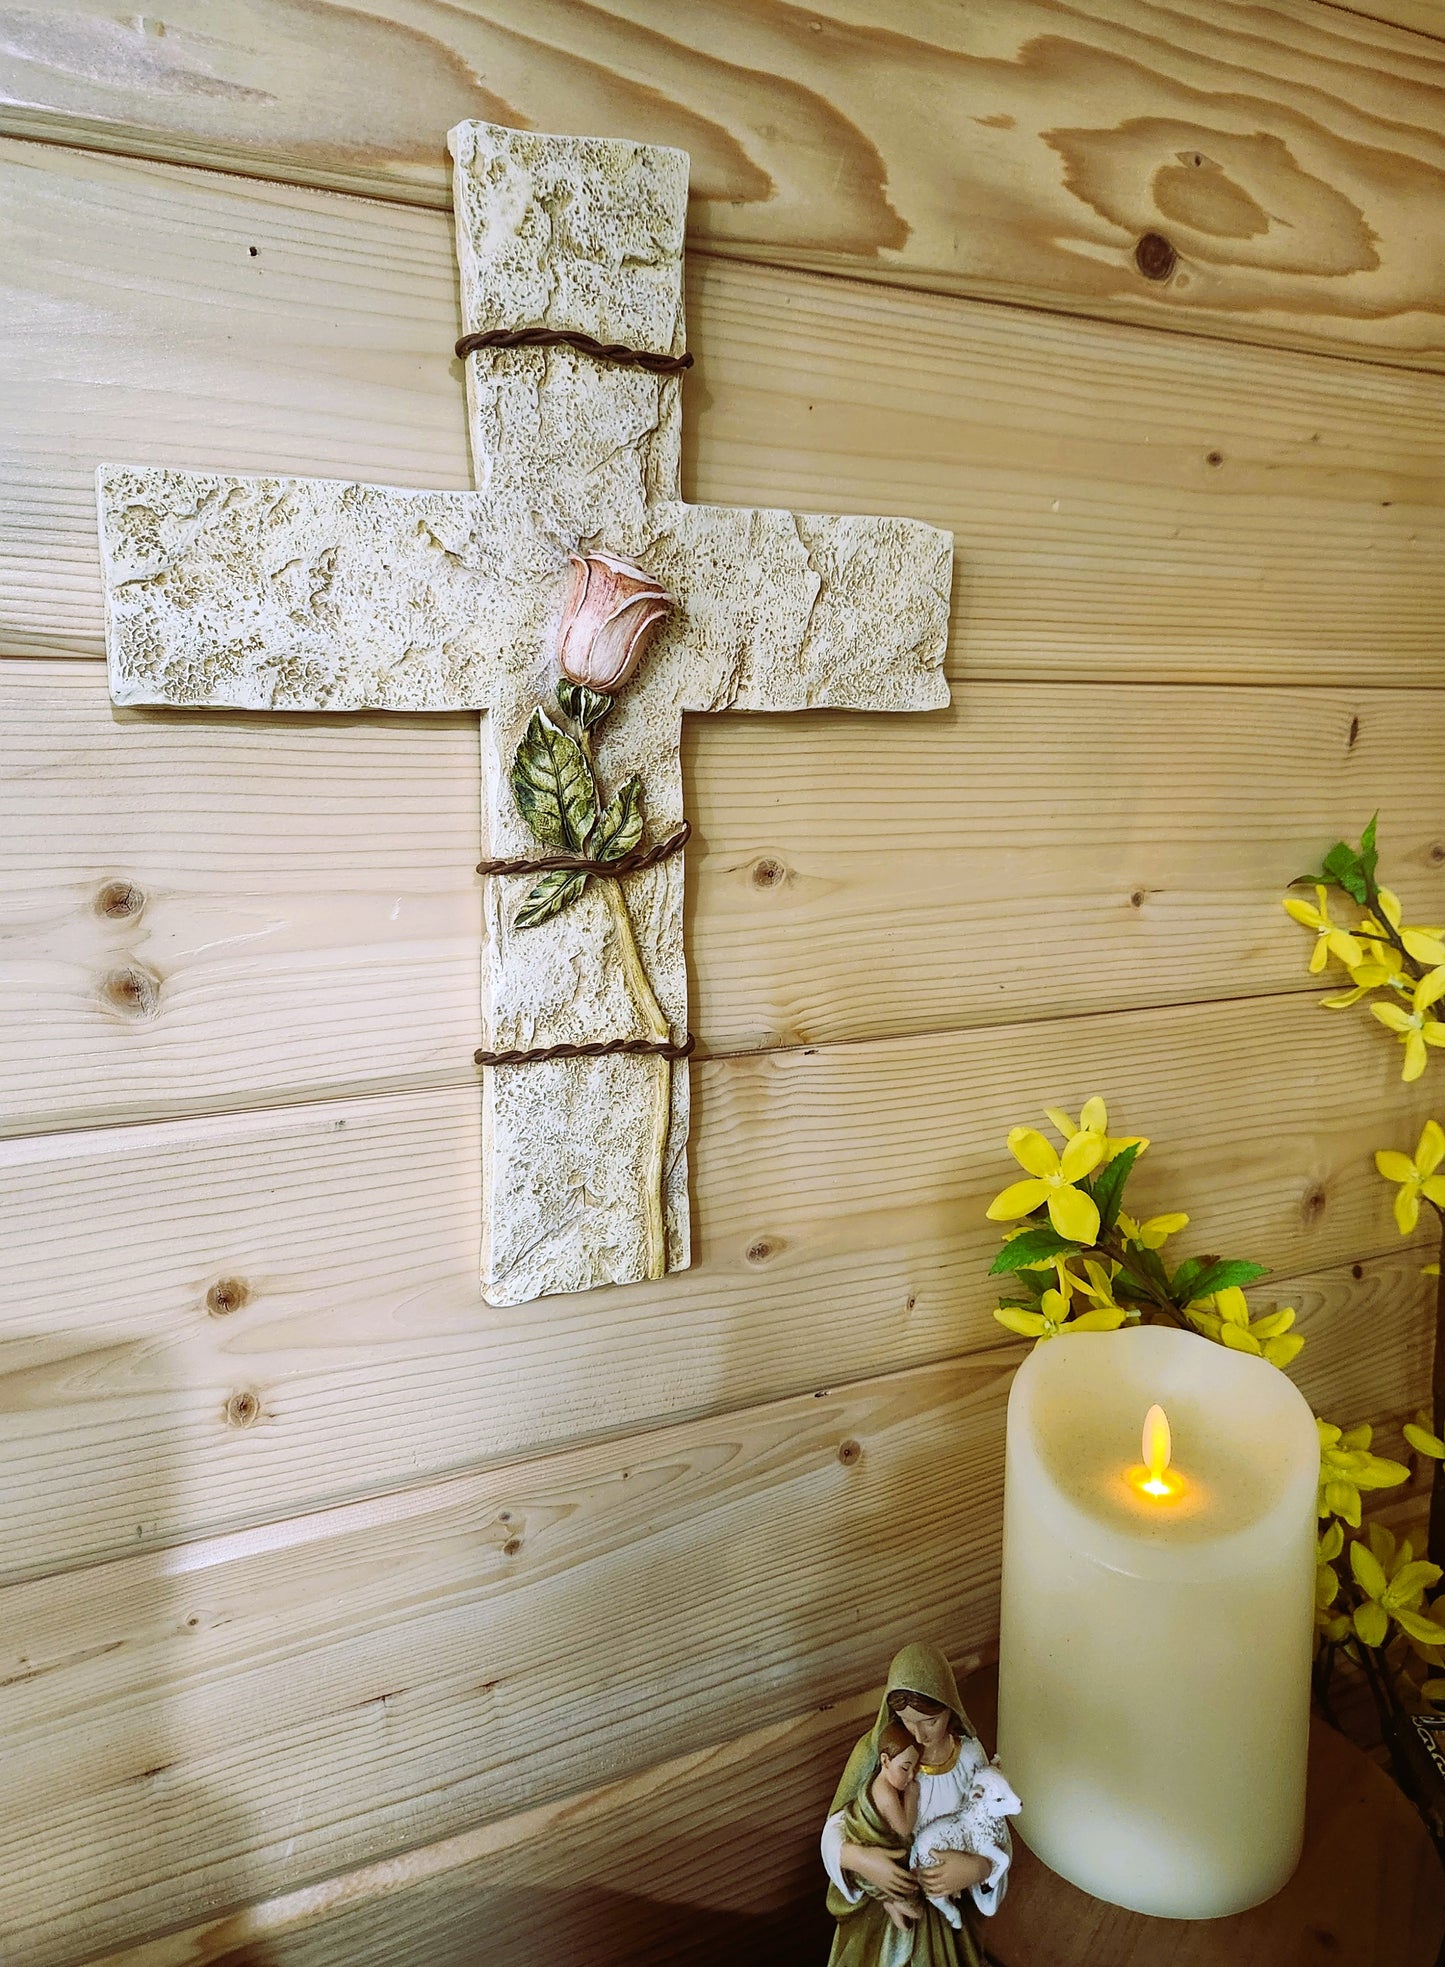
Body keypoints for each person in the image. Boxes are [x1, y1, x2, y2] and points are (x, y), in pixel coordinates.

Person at [821, 1643, 1013, 1967]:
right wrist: (862, 1860)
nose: (918, 1735)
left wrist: (978, 1868)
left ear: (950, 1709)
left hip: (948, 1906)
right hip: (889, 1909)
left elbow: (992, 1823)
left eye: (929, 1721)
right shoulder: (877, 1754)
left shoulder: (968, 1756)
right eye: (906, 1721)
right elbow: (836, 1827)